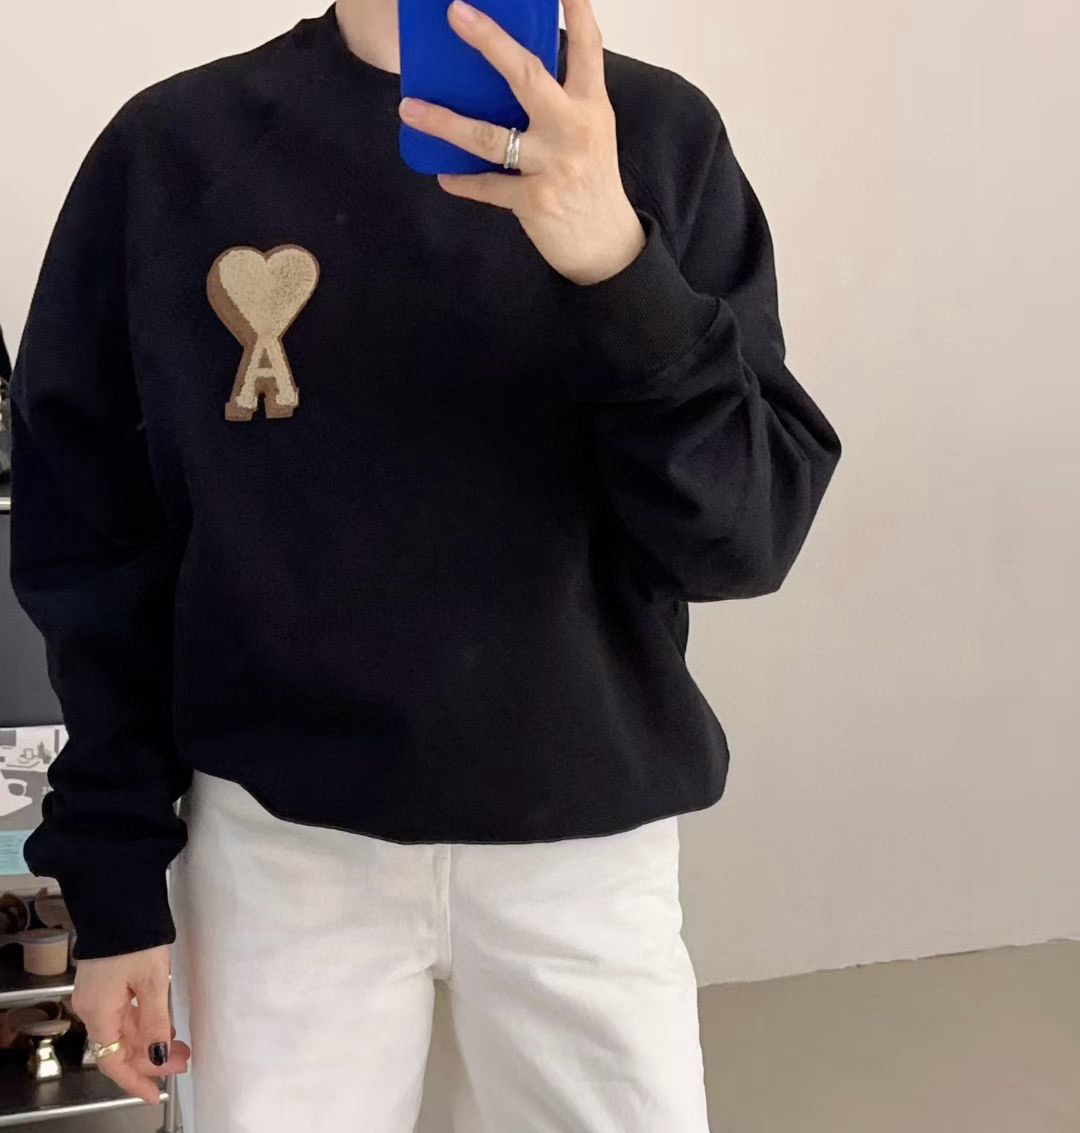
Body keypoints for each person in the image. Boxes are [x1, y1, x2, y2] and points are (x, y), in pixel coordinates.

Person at [7, 0, 842, 1129]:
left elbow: (748, 534)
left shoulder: (654, 136)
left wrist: (617, 265)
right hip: (278, 845)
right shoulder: (174, 151)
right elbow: (95, 544)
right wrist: (111, 879)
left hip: (585, 838)